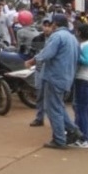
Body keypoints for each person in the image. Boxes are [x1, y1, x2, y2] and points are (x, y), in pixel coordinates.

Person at [26, 14, 82, 150]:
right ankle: (73, 130)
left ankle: (59, 139)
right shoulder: (72, 37)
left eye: (51, 23)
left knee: (53, 109)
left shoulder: (57, 36)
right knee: (58, 106)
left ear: (55, 24)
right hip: (66, 76)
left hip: (54, 76)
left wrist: (32, 60)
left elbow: (46, 54)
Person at [29, 20, 53, 127]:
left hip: (51, 70)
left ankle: (54, 120)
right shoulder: (37, 39)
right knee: (39, 94)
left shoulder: (55, 38)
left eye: (49, 26)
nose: (47, 28)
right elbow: (32, 52)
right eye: (45, 26)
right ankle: (39, 118)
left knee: (53, 97)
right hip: (39, 69)